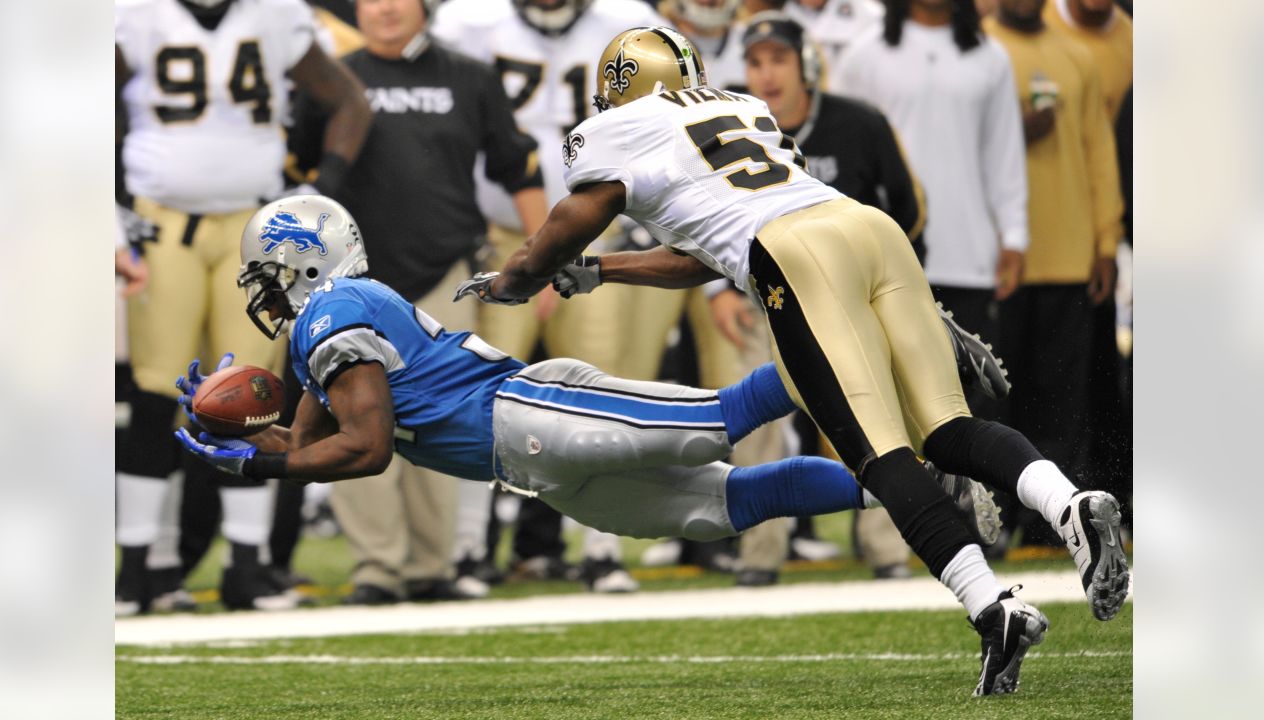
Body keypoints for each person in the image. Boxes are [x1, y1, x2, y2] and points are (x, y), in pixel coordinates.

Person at [460, 26, 1129, 695]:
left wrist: (516, 278)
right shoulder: (739, 108)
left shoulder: (624, 125)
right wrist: (605, 271)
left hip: (796, 256)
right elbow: (708, 244)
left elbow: (572, 218)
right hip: (867, 231)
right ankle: (1070, 504)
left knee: (880, 454)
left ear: (619, 87)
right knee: (947, 431)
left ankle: (993, 609)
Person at [174, 195, 994, 597]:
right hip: (533, 465)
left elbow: (366, 449)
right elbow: (320, 442)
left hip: (533, 414)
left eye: (267, 272)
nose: (262, 292)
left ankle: (884, 335)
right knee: (726, 502)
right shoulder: (330, 323)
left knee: (711, 423)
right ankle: (921, 490)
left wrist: (261, 472)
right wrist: (247, 439)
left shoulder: (333, 314)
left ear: (305, 261)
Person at [114, 0, 371, 614]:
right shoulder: (134, 13)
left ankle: (247, 567)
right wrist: (110, 207)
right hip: (159, 222)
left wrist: (319, 190)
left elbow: (351, 103)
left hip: (255, 230)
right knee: (156, 396)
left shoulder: (275, 13)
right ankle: (137, 570)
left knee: (251, 396)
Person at [287, 0, 547, 604]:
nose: (384, 8)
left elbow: (517, 164)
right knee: (353, 420)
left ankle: (434, 563)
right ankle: (377, 567)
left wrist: (540, 264)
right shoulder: (332, 78)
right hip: (347, 287)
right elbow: (300, 172)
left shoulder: (470, 75)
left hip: (441, 274)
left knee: (439, 419)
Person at [432, 0, 671, 593]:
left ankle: (602, 549)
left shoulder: (627, 22)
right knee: (479, 397)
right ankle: (468, 548)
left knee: (600, 392)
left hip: (595, 234)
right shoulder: (468, 22)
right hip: (498, 236)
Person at [743, 11, 942, 580]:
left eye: (778, 59)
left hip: (847, 302)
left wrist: (889, 289)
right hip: (766, 299)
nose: (767, 75)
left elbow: (909, 209)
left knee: (878, 415)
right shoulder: (733, 133)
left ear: (806, 64)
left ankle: (889, 547)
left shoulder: (859, 123)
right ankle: (760, 554)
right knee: (756, 424)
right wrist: (719, 291)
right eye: (755, 63)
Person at [834, 0, 1028, 427]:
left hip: (971, 258)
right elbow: (845, 156)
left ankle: (986, 494)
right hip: (886, 257)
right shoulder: (863, 55)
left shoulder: (990, 57)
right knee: (894, 398)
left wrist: (1014, 236)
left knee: (977, 398)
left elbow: (1004, 153)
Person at [983, 0, 1125, 546]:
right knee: (996, 402)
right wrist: (1015, 129)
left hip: (1068, 255)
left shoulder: (1077, 56)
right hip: (997, 259)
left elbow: (1099, 153)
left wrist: (1106, 240)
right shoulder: (982, 49)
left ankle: (1054, 530)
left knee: (1064, 403)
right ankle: (996, 522)